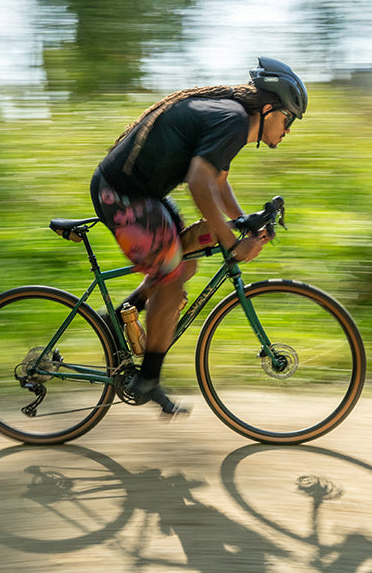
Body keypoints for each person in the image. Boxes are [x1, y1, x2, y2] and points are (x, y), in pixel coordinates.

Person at [90, 57, 307, 414]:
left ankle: (116, 316)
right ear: (268, 110)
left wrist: (243, 221)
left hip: (143, 194)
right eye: (288, 119)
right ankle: (147, 379)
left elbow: (217, 182)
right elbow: (198, 182)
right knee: (172, 279)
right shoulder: (233, 120)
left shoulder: (233, 120)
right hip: (122, 196)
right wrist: (232, 243)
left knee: (186, 260)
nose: (288, 130)